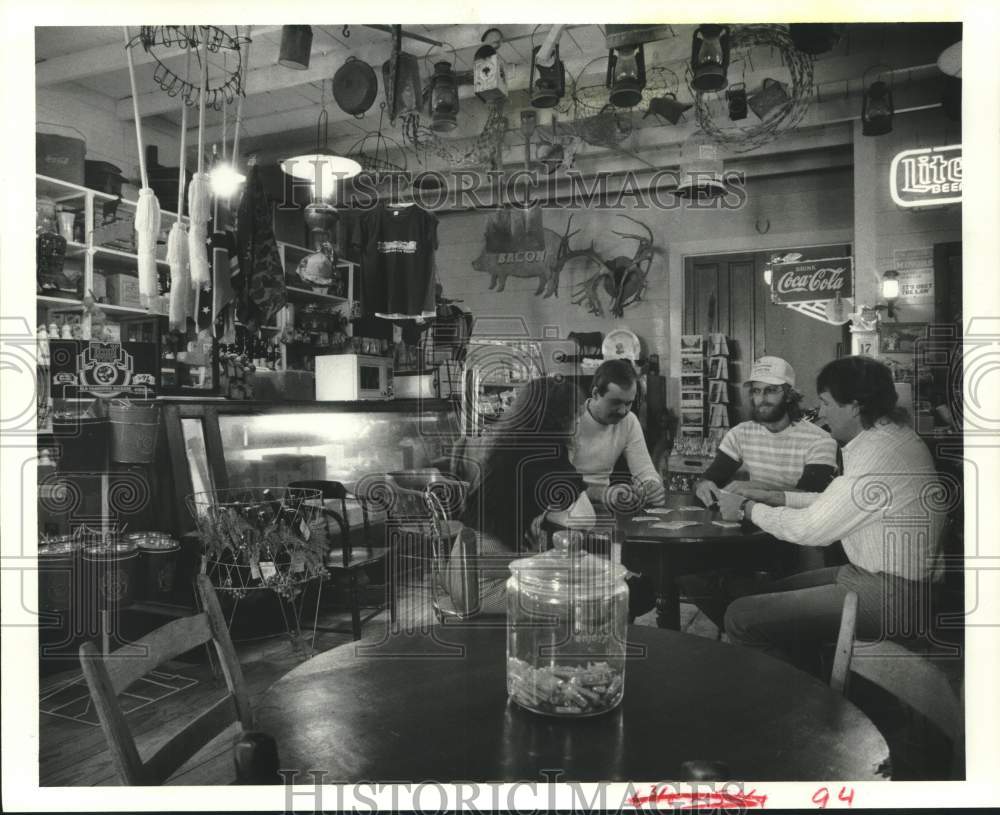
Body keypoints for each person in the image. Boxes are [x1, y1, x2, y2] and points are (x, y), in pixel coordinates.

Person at [721, 356, 945, 673]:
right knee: (763, 595)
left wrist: (746, 508)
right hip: (878, 578)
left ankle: (807, 702)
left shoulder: (878, 452)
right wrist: (774, 495)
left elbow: (812, 529)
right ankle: (815, 673)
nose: (820, 411)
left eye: (826, 402)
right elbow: (839, 503)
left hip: (893, 596)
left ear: (853, 405)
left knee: (740, 617)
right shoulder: (885, 438)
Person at [457, 377, 595, 613]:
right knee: (588, 599)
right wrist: (548, 515)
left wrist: (544, 514)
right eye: (578, 416)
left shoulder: (511, 447)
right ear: (561, 420)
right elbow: (585, 519)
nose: (582, 423)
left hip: (460, 569)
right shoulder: (549, 459)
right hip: (488, 586)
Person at [694, 356, 838, 508]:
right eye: (756, 391)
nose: (761, 399)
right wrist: (702, 486)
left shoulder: (820, 439)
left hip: (798, 527)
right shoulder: (740, 433)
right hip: (755, 521)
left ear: (789, 395)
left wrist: (759, 487)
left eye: (771, 390)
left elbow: (810, 497)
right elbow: (710, 479)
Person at [572, 359, 666, 509]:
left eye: (628, 403)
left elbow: (644, 470)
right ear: (596, 393)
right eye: (615, 402)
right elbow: (559, 481)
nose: (623, 411)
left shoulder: (629, 421)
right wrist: (603, 493)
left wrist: (651, 486)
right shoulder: (571, 420)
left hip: (605, 507)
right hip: (571, 505)